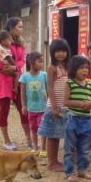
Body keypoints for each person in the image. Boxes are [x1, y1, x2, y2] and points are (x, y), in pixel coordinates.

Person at [0, 17, 30, 150]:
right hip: (3, 80)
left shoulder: (21, 43)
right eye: (19, 27)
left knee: (23, 108)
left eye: (22, 27)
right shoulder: (1, 41)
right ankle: (6, 140)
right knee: (4, 110)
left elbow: (23, 59)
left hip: (17, 79)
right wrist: (2, 68)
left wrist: (15, 68)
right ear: (11, 27)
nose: (21, 29)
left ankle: (29, 138)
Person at [38, 38, 70, 172]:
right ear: (52, 53)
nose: (60, 54)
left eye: (63, 51)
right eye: (57, 51)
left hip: (66, 106)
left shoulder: (69, 68)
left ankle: (62, 160)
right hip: (54, 106)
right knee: (53, 136)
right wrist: (55, 106)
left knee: (65, 134)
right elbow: (50, 88)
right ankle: (52, 162)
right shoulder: (52, 68)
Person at [63, 55, 91, 182]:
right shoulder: (69, 82)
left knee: (85, 148)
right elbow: (65, 101)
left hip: (87, 120)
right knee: (69, 147)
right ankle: (69, 172)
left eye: (87, 67)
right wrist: (81, 104)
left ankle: (82, 171)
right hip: (73, 119)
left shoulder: (89, 83)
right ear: (74, 69)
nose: (85, 70)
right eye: (82, 68)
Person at [19, 51, 47, 156]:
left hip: (43, 108)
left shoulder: (44, 75)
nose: (41, 64)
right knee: (33, 128)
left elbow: (49, 90)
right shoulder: (24, 77)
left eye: (42, 62)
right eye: (39, 61)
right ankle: (35, 146)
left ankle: (43, 148)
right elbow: (22, 93)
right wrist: (24, 106)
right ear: (31, 62)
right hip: (31, 109)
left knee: (43, 128)